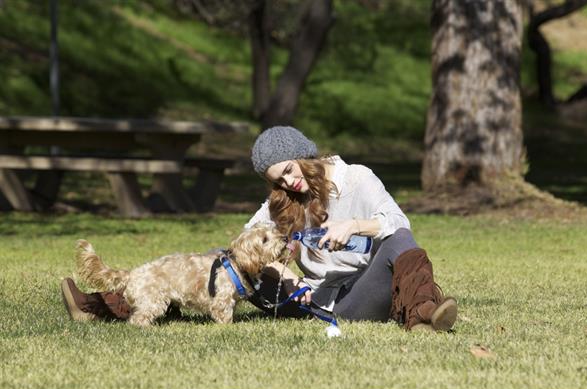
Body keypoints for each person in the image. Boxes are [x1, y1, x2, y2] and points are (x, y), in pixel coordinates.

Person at [60, 126, 457, 332]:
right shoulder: (284, 199)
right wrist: (282, 270)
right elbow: (242, 243)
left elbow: (398, 223)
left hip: (357, 295)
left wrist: (356, 224)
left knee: (401, 241)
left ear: (302, 155)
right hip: (310, 298)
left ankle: (422, 313)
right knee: (224, 260)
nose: (288, 183)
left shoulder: (358, 179)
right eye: (277, 180)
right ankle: (100, 305)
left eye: (288, 170)